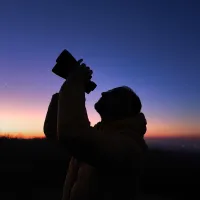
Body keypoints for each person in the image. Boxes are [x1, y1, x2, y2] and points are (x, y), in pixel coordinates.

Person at [55, 62, 148, 200]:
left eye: (113, 94)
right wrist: (66, 92)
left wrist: (74, 84)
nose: (104, 93)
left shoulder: (130, 147)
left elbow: (73, 134)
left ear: (126, 109)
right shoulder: (101, 134)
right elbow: (54, 132)